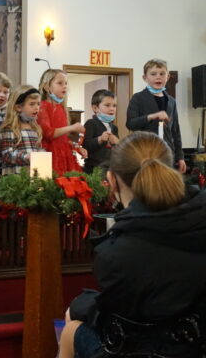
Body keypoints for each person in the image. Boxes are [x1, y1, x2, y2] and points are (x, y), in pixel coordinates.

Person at [59, 131, 206, 358]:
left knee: (71, 327)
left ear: (112, 179)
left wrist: (81, 306)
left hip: (146, 348)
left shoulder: (116, 253)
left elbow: (114, 318)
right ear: (177, 170)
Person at [126, 58, 185, 173]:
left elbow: (175, 131)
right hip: (145, 153)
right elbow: (130, 124)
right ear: (145, 78)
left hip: (168, 154)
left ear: (167, 77)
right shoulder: (138, 98)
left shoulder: (172, 101)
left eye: (162, 74)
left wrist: (180, 157)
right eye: (153, 74)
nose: (158, 77)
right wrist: (151, 116)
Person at [36, 69, 87, 175]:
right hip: (48, 154)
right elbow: (48, 133)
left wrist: (76, 147)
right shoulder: (43, 106)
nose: (64, 86)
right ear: (47, 87)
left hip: (64, 154)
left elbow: (63, 138)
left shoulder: (61, 108)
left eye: (66, 83)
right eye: (60, 83)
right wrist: (72, 128)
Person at [0, 85, 43, 175]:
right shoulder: (10, 128)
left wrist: (42, 154)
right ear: (19, 107)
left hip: (32, 175)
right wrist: (26, 156)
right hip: (15, 177)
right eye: (32, 104)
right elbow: (7, 154)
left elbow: (37, 148)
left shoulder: (35, 128)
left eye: (38, 104)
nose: (36, 107)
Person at [82, 89, 119, 174]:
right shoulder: (91, 123)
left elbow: (119, 149)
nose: (112, 109)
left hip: (110, 168)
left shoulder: (114, 128)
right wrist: (99, 139)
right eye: (107, 105)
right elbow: (85, 145)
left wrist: (118, 142)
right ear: (95, 108)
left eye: (114, 106)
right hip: (93, 169)